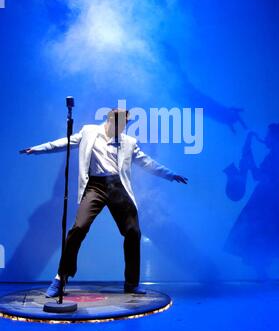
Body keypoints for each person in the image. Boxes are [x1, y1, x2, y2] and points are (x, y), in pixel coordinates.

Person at [22, 108, 188, 296]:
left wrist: (169, 174)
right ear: (110, 120)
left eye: (126, 124)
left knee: (133, 232)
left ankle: (132, 283)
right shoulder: (89, 132)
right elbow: (64, 143)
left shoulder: (129, 142)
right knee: (78, 228)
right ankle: (61, 278)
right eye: (121, 123)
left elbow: (146, 162)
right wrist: (37, 149)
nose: (124, 127)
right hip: (95, 186)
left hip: (118, 187)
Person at [224, 123, 279, 280]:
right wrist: (249, 159)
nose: (265, 138)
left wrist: (250, 163)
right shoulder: (277, 156)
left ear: (277, 138)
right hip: (270, 197)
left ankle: (263, 275)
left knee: (262, 235)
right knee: (265, 235)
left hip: (268, 198)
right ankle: (262, 275)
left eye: (269, 135)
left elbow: (261, 177)